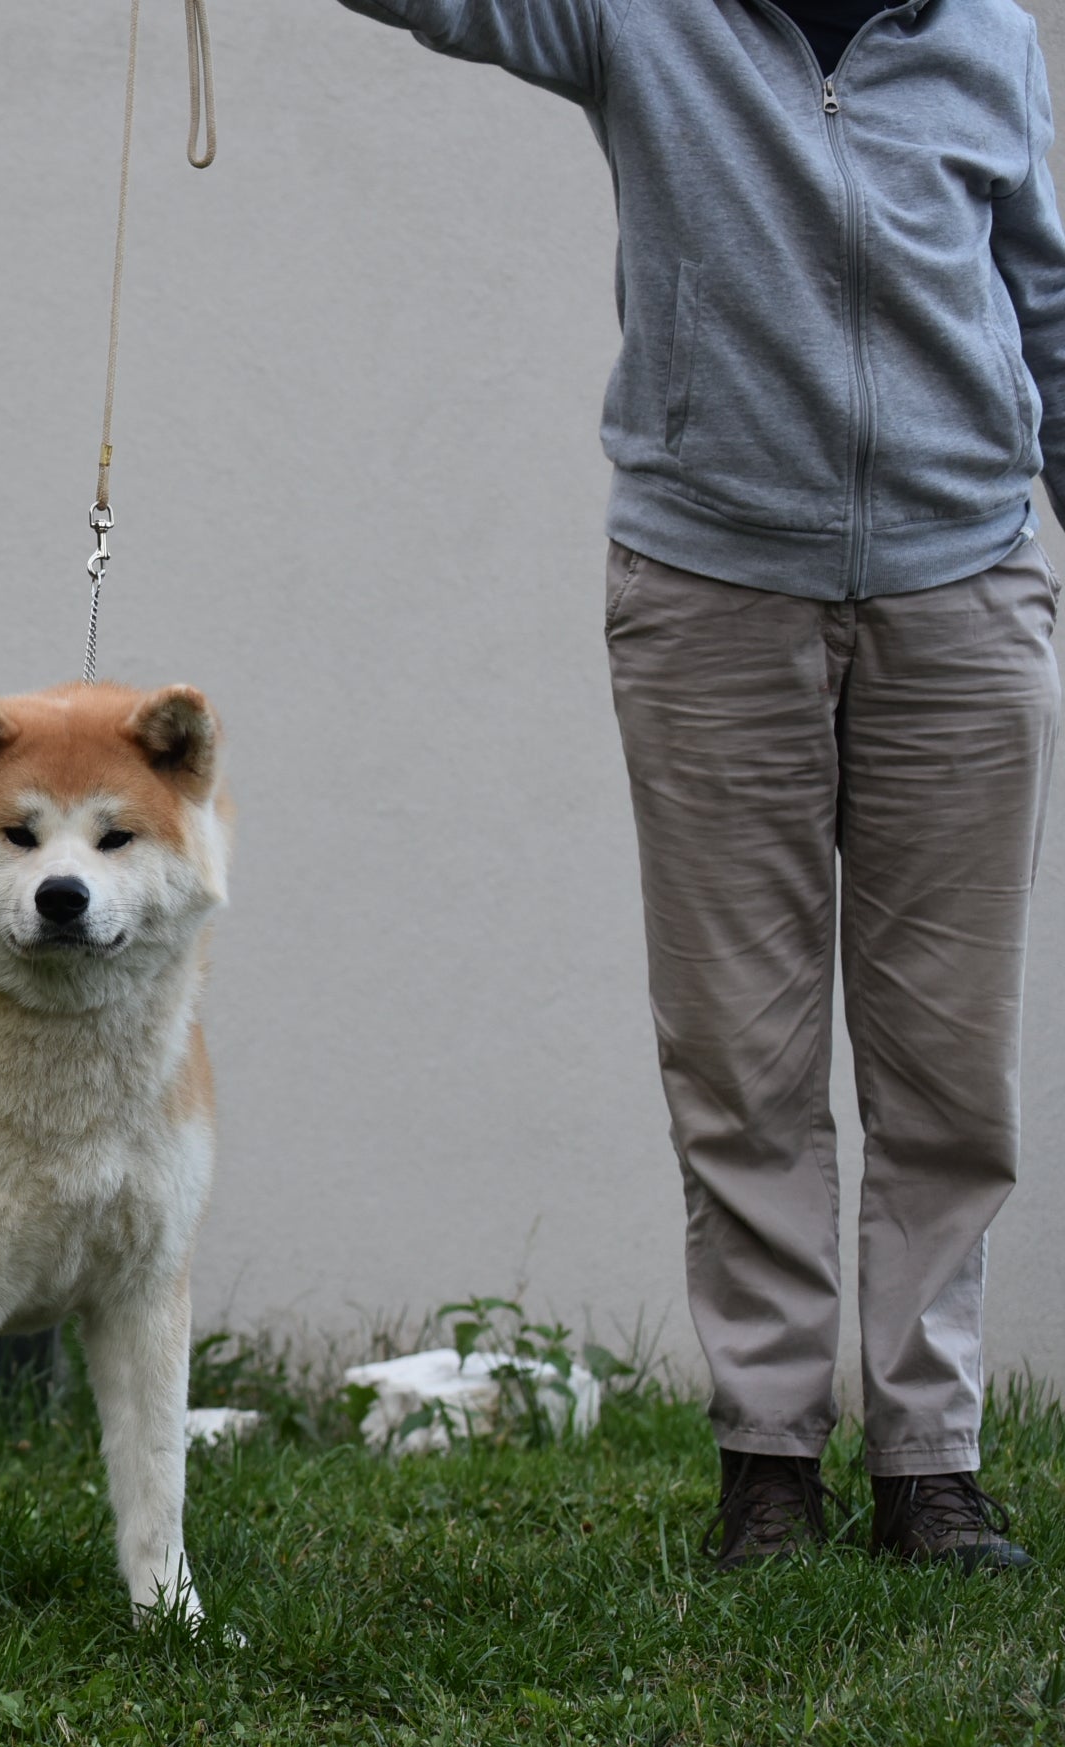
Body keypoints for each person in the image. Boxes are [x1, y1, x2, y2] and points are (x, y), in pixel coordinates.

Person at [335, 0, 1059, 1569]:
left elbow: (1047, 297)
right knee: (741, 1052)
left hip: (966, 592)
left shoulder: (988, 34)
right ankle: (769, 1464)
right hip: (713, 596)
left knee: (951, 1067)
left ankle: (930, 1465)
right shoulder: (642, 17)